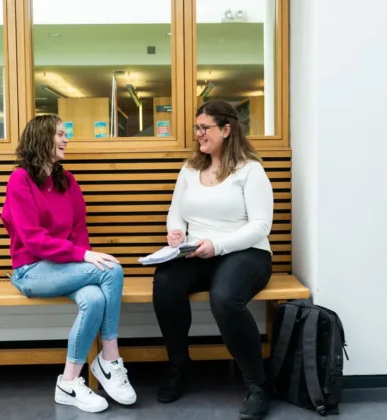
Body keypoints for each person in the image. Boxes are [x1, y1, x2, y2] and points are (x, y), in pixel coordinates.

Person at [1, 115, 137, 413]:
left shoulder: (68, 180)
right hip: (31, 271)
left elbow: (79, 230)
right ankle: (110, 360)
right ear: (42, 138)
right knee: (112, 268)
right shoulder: (20, 180)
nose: (66, 139)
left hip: (64, 268)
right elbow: (33, 239)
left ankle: (69, 382)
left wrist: (85, 261)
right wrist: (86, 258)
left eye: (66, 134)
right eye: (60, 134)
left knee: (95, 296)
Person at [152, 100, 275, 420]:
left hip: (246, 253)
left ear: (226, 129)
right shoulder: (191, 169)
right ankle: (179, 366)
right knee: (165, 283)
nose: (198, 134)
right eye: (197, 128)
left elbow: (261, 226)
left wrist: (217, 246)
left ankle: (258, 384)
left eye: (204, 128)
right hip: (197, 251)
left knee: (225, 298)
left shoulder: (250, 169)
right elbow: (176, 212)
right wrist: (176, 233)